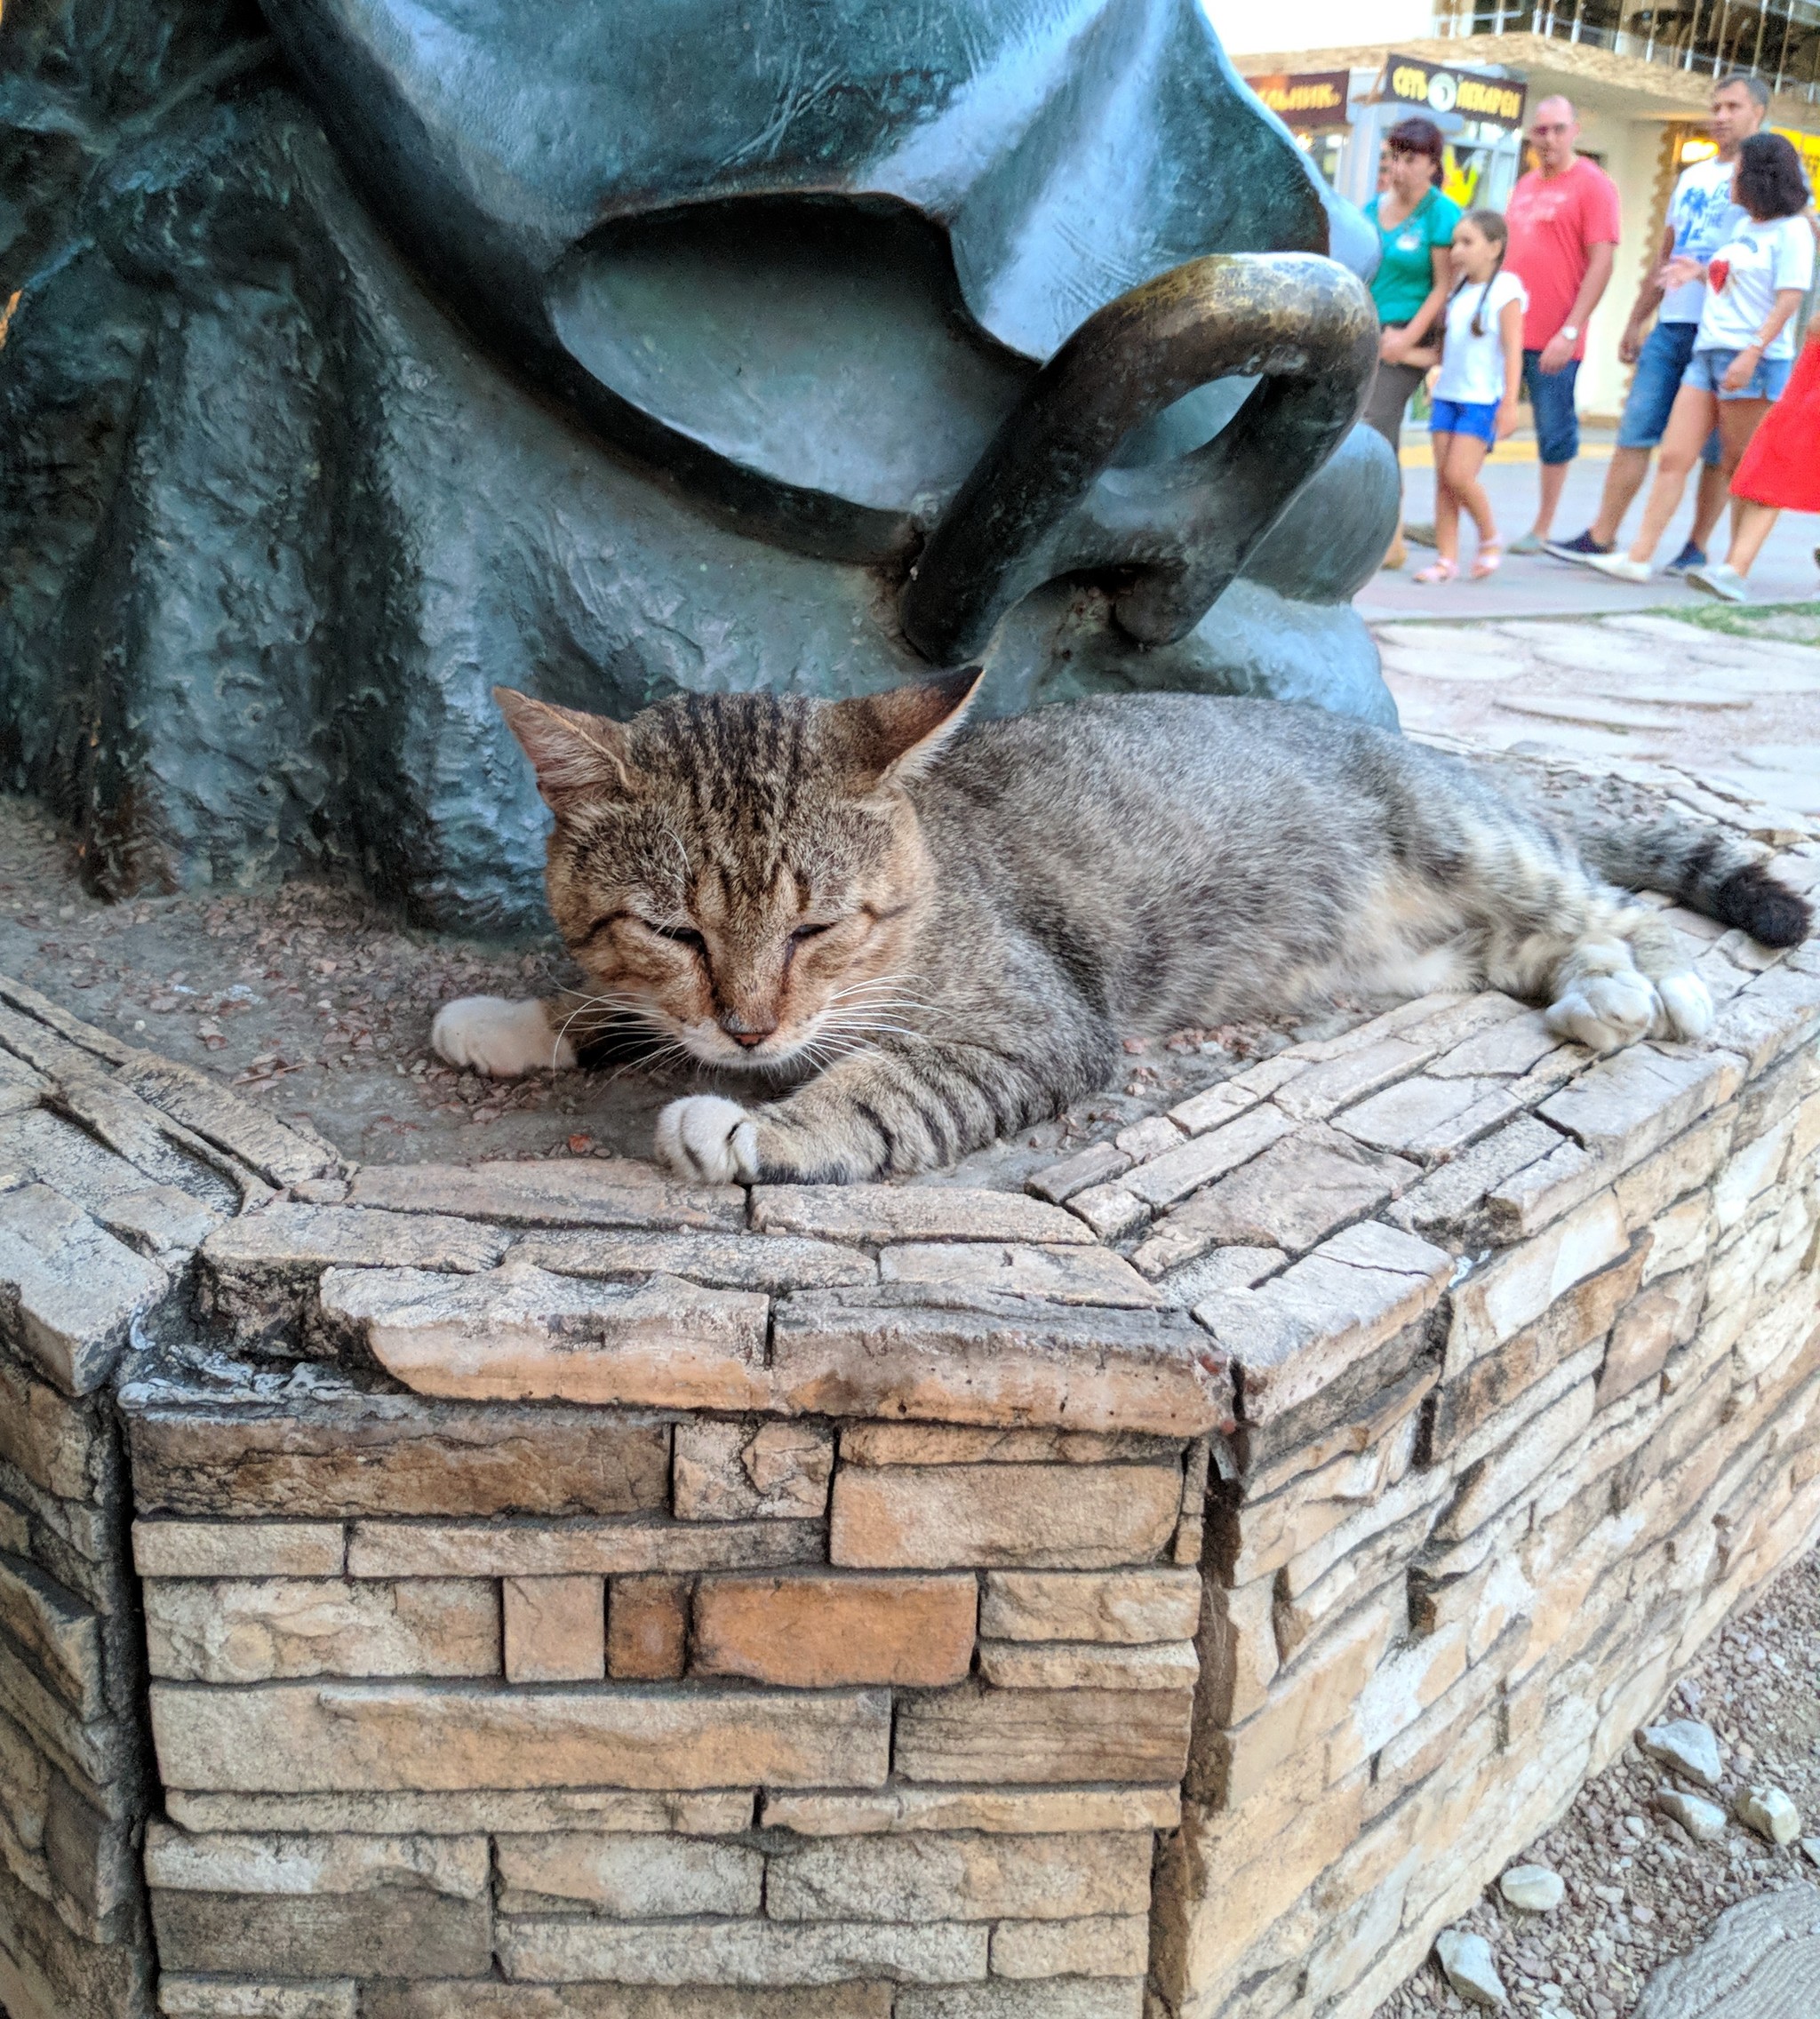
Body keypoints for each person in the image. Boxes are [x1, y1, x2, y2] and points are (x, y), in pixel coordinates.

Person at [1548, 75, 1768, 575]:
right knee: (1637, 427)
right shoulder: (1692, 177)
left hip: (1728, 333)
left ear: (1757, 113)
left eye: (1733, 106)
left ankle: (1696, 546)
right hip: (1673, 325)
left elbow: (1793, 240)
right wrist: (1635, 320)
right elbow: (1666, 255)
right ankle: (1602, 535)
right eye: (1716, 106)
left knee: (1716, 450)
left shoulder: (1768, 178)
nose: (1721, 115)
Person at [1585, 132, 1813, 584]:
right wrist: (1699, 271)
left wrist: (1752, 352)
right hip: (1707, 351)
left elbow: (1788, 300)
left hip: (1754, 360)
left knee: (1741, 466)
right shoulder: (1746, 227)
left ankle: (1733, 568)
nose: (1730, 176)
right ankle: (1638, 557)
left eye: (1738, 169)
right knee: (1674, 455)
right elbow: (1740, 275)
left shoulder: (1793, 232)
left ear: (1759, 176)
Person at [1501, 97, 1621, 553]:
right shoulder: (1525, 185)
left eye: (1556, 130)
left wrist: (1570, 332)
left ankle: (1543, 526)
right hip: (1509, 331)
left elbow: (1602, 263)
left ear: (1575, 130)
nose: (1547, 139)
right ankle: (1458, 512)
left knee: (1553, 430)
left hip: (1554, 337)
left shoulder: (1594, 185)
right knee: (1477, 418)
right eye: (1540, 131)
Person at [1361, 117, 1463, 569]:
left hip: (1409, 331)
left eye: (1411, 159)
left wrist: (1406, 340)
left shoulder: (1441, 214)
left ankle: (1390, 539)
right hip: (1369, 329)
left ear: (1432, 165)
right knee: (1359, 429)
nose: (1399, 169)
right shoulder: (1370, 210)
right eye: (1394, 157)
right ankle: (1373, 530)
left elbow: (1443, 286)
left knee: (1376, 424)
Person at [1412, 211, 1527, 583]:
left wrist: (1509, 403)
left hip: (1480, 400)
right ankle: (1446, 560)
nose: (1457, 250)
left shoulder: (1505, 289)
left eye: (1468, 242)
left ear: (1494, 248)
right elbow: (1444, 354)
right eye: (1455, 242)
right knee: (1443, 482)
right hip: (1447, 396)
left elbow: (1513, 349)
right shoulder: (1458, 293)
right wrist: (1399, 352)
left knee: (1460, 475)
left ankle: (1489, 537)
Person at [1686, 297, 1820, 600]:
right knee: (1771, 475)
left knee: (1774, 472)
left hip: (1809, 396)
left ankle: (1735, 571)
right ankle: (1734, 571)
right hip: (1807, 393)